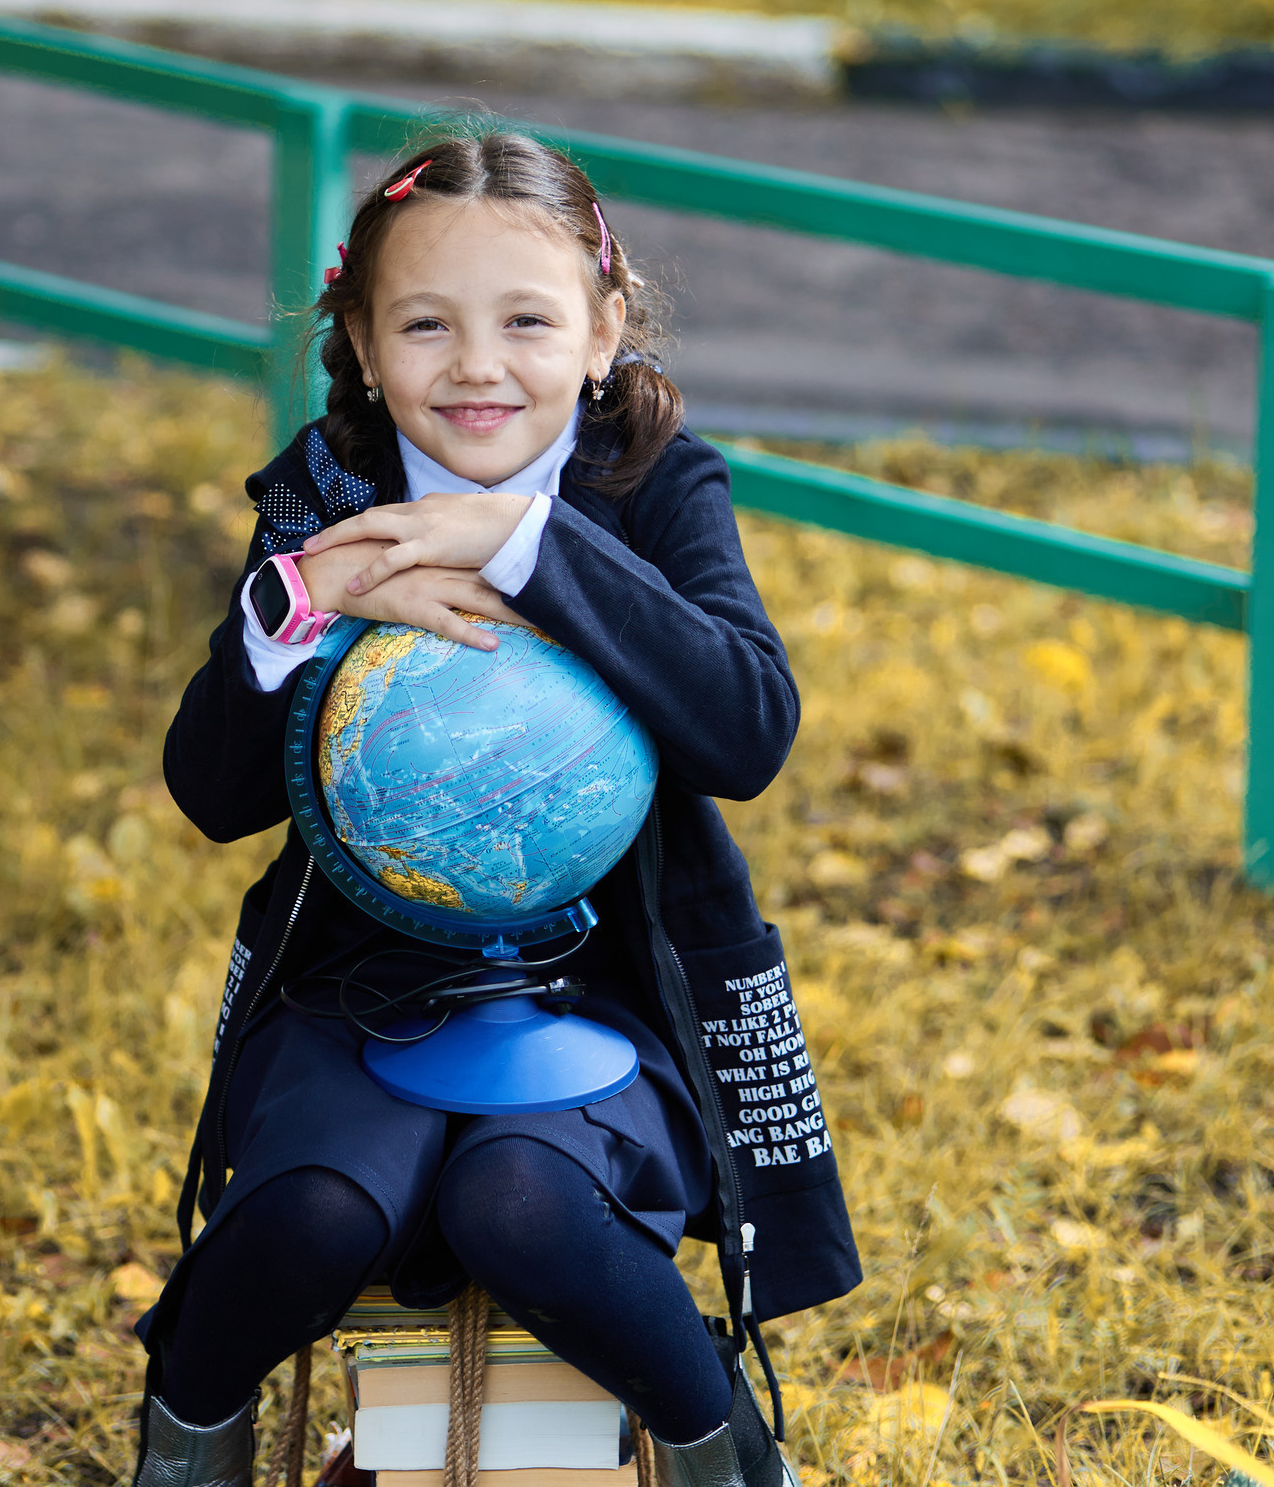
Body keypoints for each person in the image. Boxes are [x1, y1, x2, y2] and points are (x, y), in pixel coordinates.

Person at [137, 128, 860, 1487]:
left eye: (526, 321)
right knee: (310, 1211)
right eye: (425, 324)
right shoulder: (324, 492)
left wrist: (524, 544)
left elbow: (748, 729)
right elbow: (211, 792)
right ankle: (185, 1438)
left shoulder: (651, 491)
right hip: (356, 982)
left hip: (608, 987)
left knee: (518, 1204)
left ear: (604, 332)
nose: (477, 366)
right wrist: (304, 605)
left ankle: (725, 1453)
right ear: (358, 340)